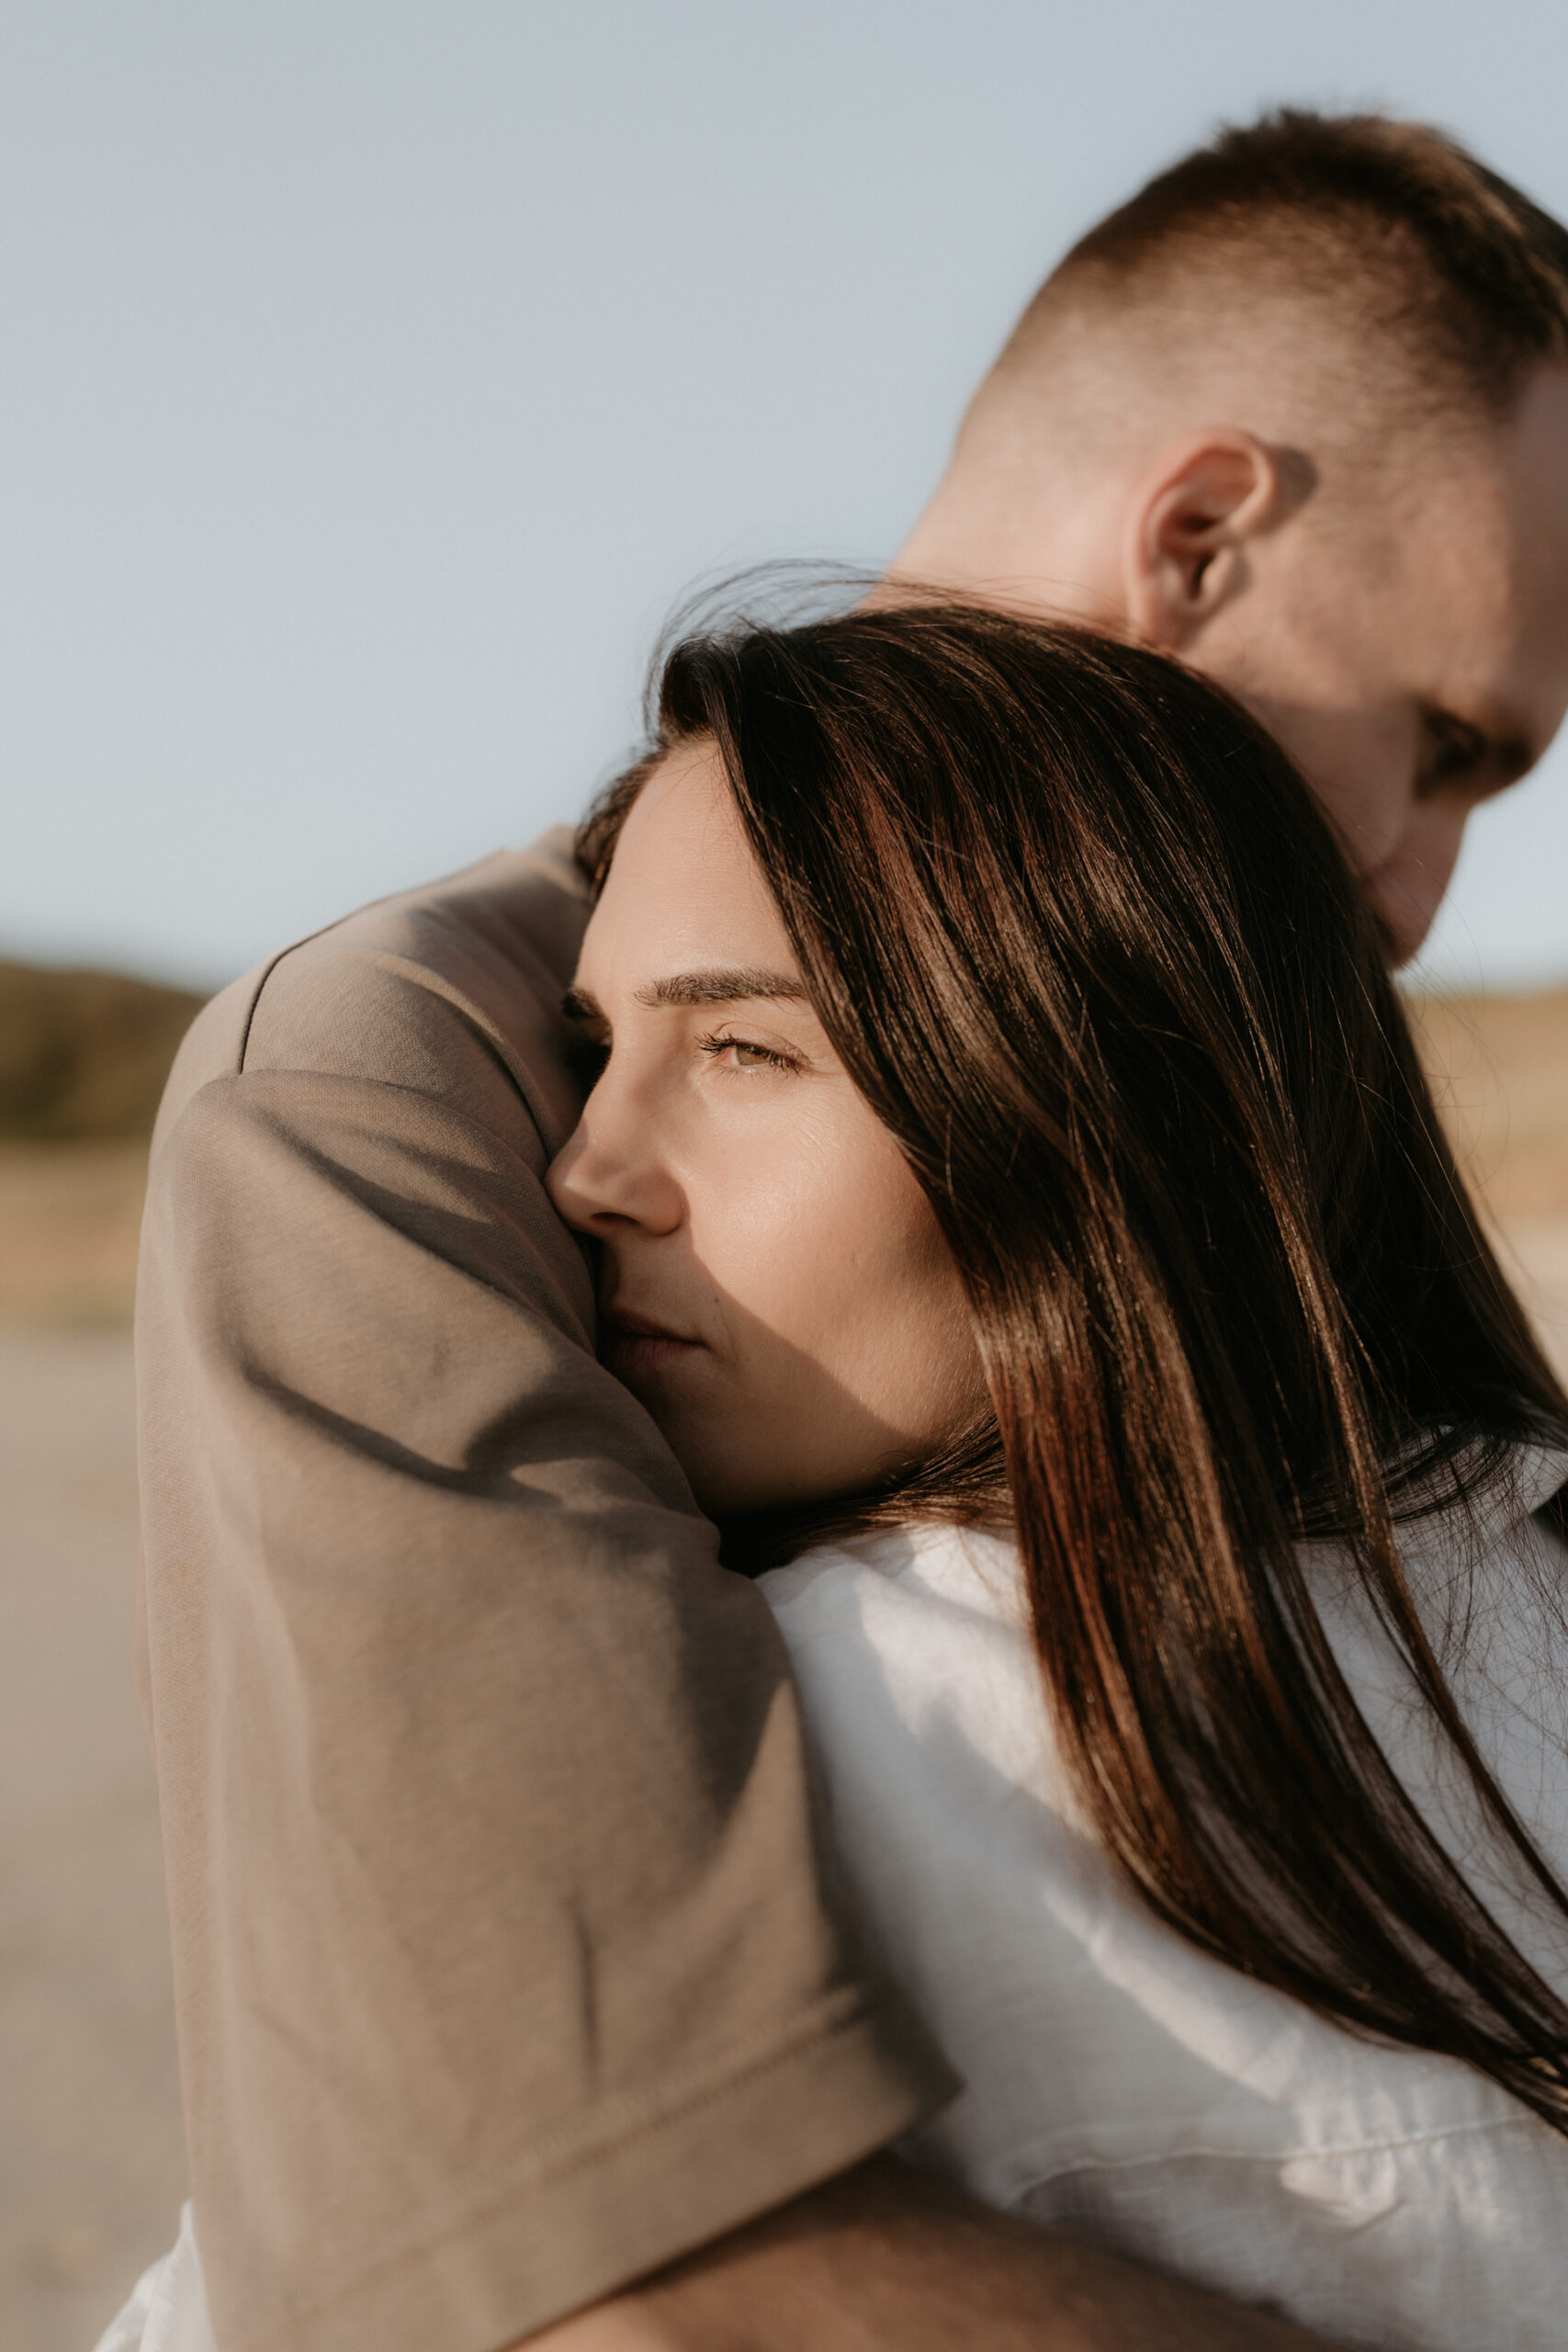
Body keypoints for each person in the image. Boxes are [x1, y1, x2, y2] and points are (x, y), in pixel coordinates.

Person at [118, 109, 1568, 2352]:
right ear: (1190, 538)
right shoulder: (380, 1072)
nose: (1409, 886)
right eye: (1450, 742)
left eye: (747, 1045)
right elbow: (600, 2255)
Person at [543, 600, 1568, 2350]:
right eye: (591, 1052)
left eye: (741, 1049)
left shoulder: (807, 1735)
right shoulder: (1520, 1574)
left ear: (1094, 1099)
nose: (586, 1168)